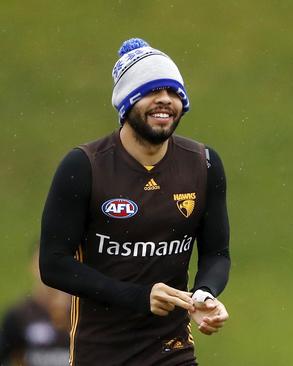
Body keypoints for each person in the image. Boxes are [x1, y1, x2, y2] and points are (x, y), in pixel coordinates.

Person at [39, 38, 231, 365]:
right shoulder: (84, 165)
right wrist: (139, 297)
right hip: (100, 352)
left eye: (173, 93)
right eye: (152, 92)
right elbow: (54, 263)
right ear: (126, 102)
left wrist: (204, 295)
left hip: (172, 350)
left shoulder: (204, 163)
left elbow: (217, 253)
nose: (165, 101)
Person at [0, 249, 70, 366]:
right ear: (33, 266)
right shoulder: (19, 315)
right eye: (44, 262)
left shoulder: (84, 313)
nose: (52, 268)